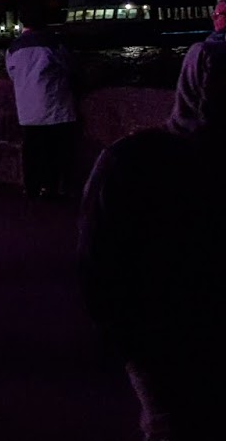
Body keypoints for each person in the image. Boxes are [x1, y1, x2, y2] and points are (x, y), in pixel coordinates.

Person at [79, 33, 226, 441]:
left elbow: (96, 260)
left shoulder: (131, 158)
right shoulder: (135, 161)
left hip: (158, 337)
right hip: (164, 337)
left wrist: (123, 342)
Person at [6, 7, 77, 199]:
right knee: (55, 150)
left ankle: (31, 187)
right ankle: (52, 187)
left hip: (26, 109)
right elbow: (70, 66)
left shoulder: (13, 47)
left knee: (31, 150)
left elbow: (12, 73)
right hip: (54, 106)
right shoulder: (52, 43)